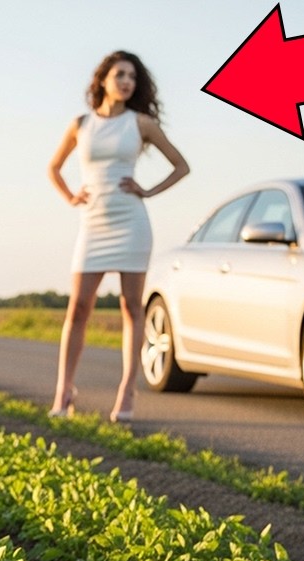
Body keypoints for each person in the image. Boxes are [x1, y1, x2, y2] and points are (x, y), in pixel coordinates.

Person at [47, 50, 189, 422]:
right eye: (120, 75)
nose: (127, 82)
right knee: (78, 308)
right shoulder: (81, 124)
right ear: (103, 80)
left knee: (131, 307)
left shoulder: (141, 123)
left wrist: (148, 191)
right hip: (92, 223)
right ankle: (64, 389)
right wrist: (70, 196)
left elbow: (181, 166)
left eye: (133, 78)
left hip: (131, 222)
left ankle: (127, 390)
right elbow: (54, 167)